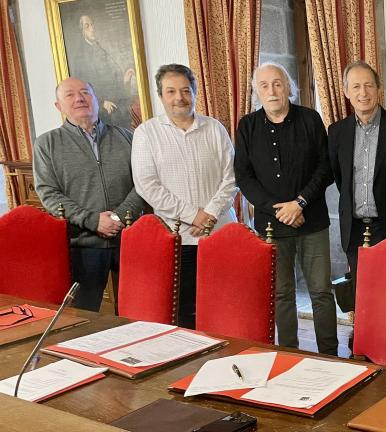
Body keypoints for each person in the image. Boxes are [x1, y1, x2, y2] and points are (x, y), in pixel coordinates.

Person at [234, 62, 338, 355]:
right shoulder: (248, 126)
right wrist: (277, 209)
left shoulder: (310, 119)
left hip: (312, 221)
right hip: (271, 225)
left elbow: (325, 168)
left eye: (277, 83)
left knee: (320, 292)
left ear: (289, 87)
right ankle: (289, 354)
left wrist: (300, 203)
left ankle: (330, 356)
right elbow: (243, 176)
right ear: (256, 92)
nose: (272, 90)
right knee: (282, 294)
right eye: (264, 85)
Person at [132, 64, 236, 329]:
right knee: (184, 311)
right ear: (161, 95)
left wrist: (210, 214)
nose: (179, 97)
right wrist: (194, 215)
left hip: (220, 233)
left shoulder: (214, 128)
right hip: (178, 237)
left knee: (225, 305)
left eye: (185, 90)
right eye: (171, 91)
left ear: (195, 93)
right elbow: (147, 185)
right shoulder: (147, 133)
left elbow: (232, 176)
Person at [33, 77, 145, 311]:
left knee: (138, 313)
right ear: (58, 106)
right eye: (70, 95)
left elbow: (144, 183)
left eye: (85, 93)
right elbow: (48, 193)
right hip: (82, 244)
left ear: (95, 99)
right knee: (83, 317)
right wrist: (93, 220)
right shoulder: (47, 144)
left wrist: (117, 217)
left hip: (129, 239)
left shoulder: (127, 137)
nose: (79, 98)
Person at [328, 61, 386, 318]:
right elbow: (340, 177)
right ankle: (369, 355)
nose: (363, 92)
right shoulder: (337, 132)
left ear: (379, 89)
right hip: (356, 231)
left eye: (369, 85)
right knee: (365, 301)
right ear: (346, 92)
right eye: (356, 86)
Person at [69, 14, 138, 129]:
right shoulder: (80, 56)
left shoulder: (99, 48)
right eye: (87, 26)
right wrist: (101, 103)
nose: (92, 28)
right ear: (81, 32)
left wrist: (124, 80)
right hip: (99, 108)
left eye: (92, 24)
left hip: (114, 100)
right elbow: (82, 87)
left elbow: (109, 79)